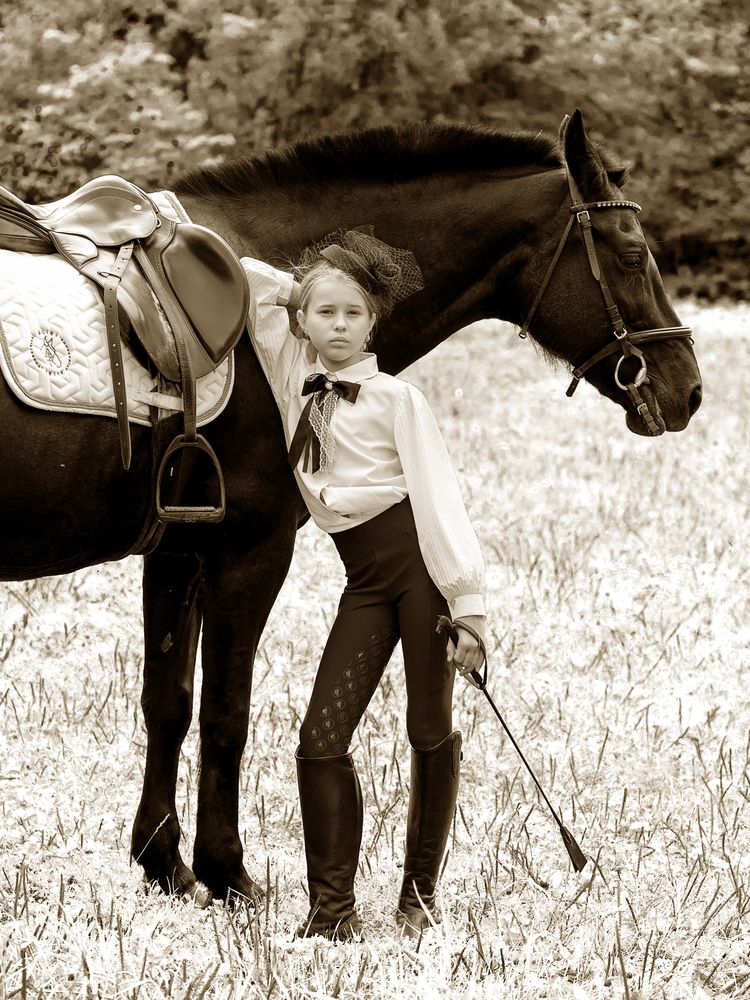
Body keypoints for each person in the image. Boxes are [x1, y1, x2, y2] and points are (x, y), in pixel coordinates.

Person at [241, 229, 487, 940]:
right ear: (302, 321)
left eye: (354, 313)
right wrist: (298, 289)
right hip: (365, 581)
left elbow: (439, 500)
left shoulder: (397, 399)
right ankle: (332, 913)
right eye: (326, 313)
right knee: (319, 739)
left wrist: (469, 607)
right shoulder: (292, 372)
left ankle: (418, 898)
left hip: (420, 574)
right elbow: (249, 282)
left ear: (374, 322)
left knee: (428, 727)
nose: (340, 326)